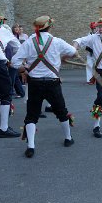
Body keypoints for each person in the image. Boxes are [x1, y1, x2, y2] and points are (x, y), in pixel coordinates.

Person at [10, 16, 78, 158]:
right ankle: (68, 138)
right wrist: (63, 58)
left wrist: (25, 69)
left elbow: (14, 62)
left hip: (34, 83)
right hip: (53, 83)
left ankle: (31, 146)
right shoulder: (57, 41)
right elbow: (73, 52)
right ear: (50, 27)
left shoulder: (29, 42)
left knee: (31, 115)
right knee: (61, 111)